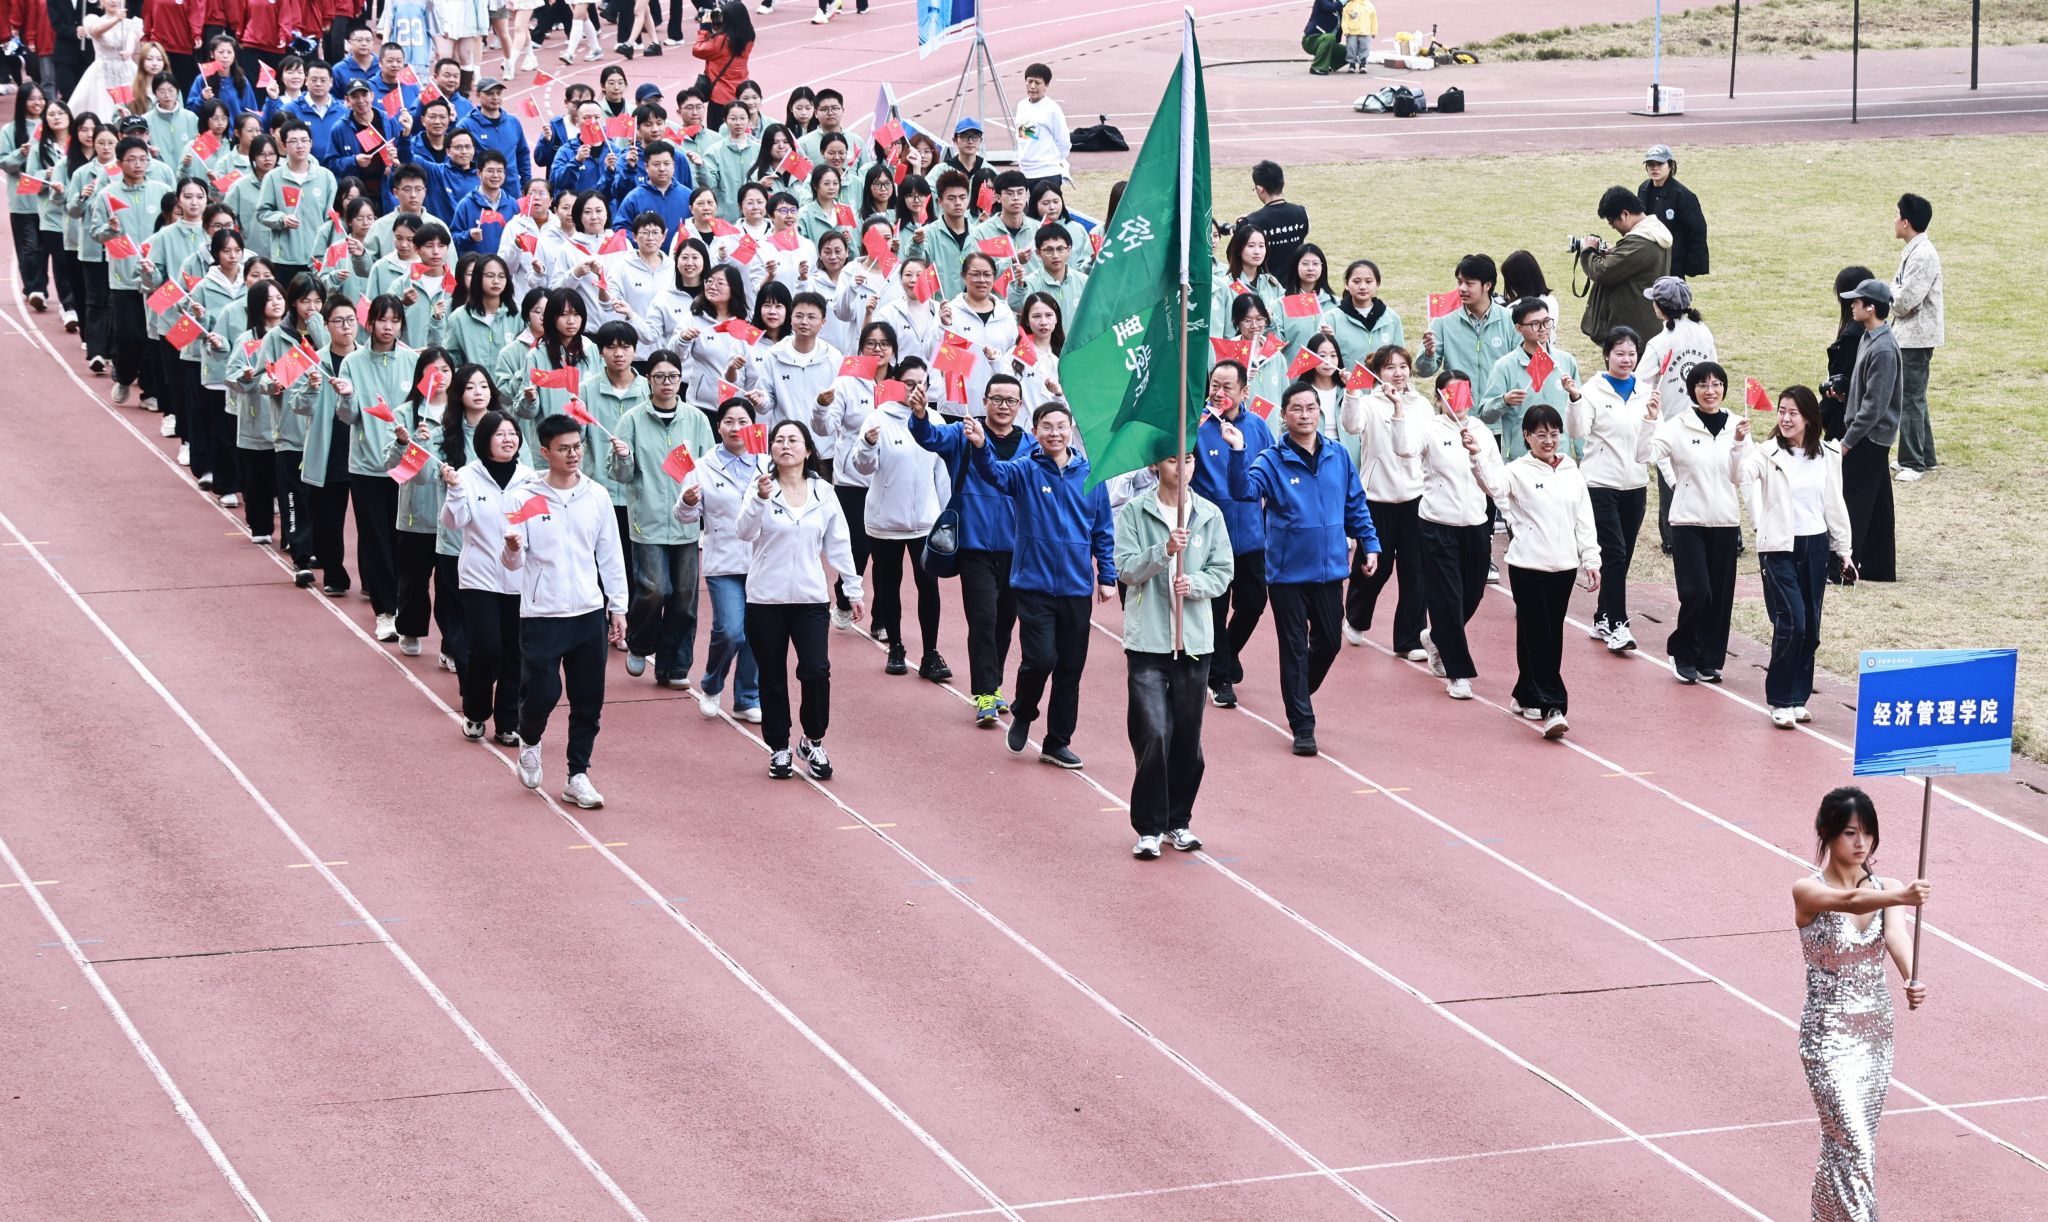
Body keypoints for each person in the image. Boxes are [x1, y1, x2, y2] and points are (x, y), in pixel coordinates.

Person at [1792, 787, 1931, 1222]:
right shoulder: (1807, 890)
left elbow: (1896, 936)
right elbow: (1850, 901)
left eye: (1868, 833)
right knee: (1853, 1142)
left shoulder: (1888, 888)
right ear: (1826, 832)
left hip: (1874, 1034)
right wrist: (1903, 896)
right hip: (1827, 1036)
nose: (1861, 843)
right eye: (1850, 833)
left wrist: (1911, 975)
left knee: (1847, 1144)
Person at [1224, 380, 1380, 756]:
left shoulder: (1338, 455)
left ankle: (1297, 691)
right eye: (1297, 408)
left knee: (1329, 642)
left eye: (1311, 408)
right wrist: (1238, 451)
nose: (1305, 414)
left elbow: (1355, 503)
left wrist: (1370, 543)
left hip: (1330, 572)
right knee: (1293, 648)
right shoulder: (1271, 460)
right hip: (1287, 576)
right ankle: (1302, 725)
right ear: (1284, 415)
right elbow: (1243, 490)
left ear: (1319, 413)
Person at [966, 401, 1116, 768]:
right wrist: (981, 446)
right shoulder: (1026, 469)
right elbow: (993, 474)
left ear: (1071, 429)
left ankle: (1056, 742)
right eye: (1046, 426)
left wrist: (1107, 576)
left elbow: (1102, 529)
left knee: (1070, 667)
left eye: (1061, 426)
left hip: (1076, 588)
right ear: (1035, 432)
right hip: (1034, 585)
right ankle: (1023, 711)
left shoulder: (1091, 474)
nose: (1055, 433)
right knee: (1040, 659)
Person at [503, 413, 629, 809]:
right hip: (543, 614)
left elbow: (610, 555)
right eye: (564, 449)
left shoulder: (596, 496)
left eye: (578, 447)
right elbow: (512, 562)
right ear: (545, 452)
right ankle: (530, 737)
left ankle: (578, 775)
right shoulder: (523, 497)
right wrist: (511, 548)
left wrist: (618, 606)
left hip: (588, 613)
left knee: (588, 698)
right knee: (542, 693)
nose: (573, 454)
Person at [1116, 446, 1234, 860]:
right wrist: (1163, 551)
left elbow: (1223, 571)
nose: (1181, 467)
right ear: (1154, 465)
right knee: (1154, 732)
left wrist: (1195, 584)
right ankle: (1149, 827)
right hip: (1147, 641)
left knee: (1187, 738)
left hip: (1194, 643)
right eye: (1172, 459)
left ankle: (1177, 821)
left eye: (1187, 459)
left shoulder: (1209, 514)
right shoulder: (1134, 512)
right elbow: (1126, 569)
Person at [738, 420, 863, 780]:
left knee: (815, 670)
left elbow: (839, 543)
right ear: (771, 450)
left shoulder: (824, 492)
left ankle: (813, 740)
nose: (786, 445)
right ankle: (779, 747)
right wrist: (760, 500)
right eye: (779, 440)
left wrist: (853, 588)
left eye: (794, 440)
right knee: (772, 676)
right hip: (765, 599)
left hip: (810, 599)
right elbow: (744, 532)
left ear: (808, 449)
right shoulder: (760, 486)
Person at [910, 373, 1035, 724]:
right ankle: (986, 692)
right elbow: (929, 437)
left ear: (1020, 406)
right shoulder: (963, 433)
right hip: (974, 547)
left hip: (1016, 549)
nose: (1003, 406)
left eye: (1011, 400)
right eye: (997, 399)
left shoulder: (1032, 446)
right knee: (983, 619)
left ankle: (993, 684)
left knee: (1005, 622)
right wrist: (920, 415)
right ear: (985, 401)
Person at [1473, 404, 1600, 739]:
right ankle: (1553, 705)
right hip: (1527, 565)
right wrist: (1476, 457)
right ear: (1526, 436)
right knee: (1539, 632)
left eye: (1554, 434)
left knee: (1547, 633)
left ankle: (1526, 691)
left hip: (1564, 567)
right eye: (1541, 434)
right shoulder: (1517, 471)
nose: (1548, 441)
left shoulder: (1571, 470)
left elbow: (1584, 518)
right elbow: (1492, 486)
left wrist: (1591, 559)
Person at [1733, 385, 1855, 728]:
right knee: (1792, 622)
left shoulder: (1827, 455)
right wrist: (1738, 444)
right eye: (1782, 411)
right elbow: (1738, 475)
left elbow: (1835, 504)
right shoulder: (1766, 453)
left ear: (1809, 418)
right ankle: (1779, 699)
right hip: (1778, 548)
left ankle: (1798, 698)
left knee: (1811, 628)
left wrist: (1843, 550)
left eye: (1793, 413)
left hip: (1815, 547)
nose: (1785, 419)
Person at [607, 347, 714, 687]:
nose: (667, 383)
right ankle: (640, 643)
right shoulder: (631, 420)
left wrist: (702, 501)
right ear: (648, 380)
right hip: (647, 520)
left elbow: (710, 467)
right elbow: (619, 475)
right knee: (654, 589)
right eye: (659, 377)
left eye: (672, 376)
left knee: (684, 597)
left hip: (686, 520)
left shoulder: (696, 420)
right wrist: (623, 457)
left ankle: (675, 666)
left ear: (681, 380)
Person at [849, 359, 951, 681]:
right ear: (895, 383)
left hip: (925, 521)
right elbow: (862, 468)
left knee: (928, 585)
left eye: (922, 384)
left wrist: (948, 517)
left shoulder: (936, 420)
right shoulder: (878, 419)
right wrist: (867, 445)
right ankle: (895, 647)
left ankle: (931, 653)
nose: (916, 389)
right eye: (909, 383)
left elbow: (942, 475)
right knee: (889, 585)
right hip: (886, 522)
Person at [440, 410, 531, 744]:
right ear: (484, 440)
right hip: (479, 578)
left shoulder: (530, 479)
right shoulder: (467, 475)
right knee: (486, 648)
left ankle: (508, 722)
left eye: (513, 434)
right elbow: (453, 522)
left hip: (519, 578)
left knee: (515, 652)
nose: (509, 440)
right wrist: (454, 490)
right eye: (500, 434)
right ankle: (476, 711)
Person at [1567, 327, 1659, 652]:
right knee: (1614, 552)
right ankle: (1619, 624)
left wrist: (1651, 419)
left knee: (1623, 555)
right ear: (1607, 355)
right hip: (1599, 485)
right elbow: (1578, 430)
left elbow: (1651, 445)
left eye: (1632, 354)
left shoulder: (1646, 392)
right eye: (1620, 353)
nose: (1626, 359)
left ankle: (1603, 617)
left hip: (1635, 485)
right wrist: (1575, 399)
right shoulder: (1593, 390)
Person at [1410, 371, 1500, 700]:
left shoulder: (1481, 431)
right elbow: (1404, 449)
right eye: (1451, 394)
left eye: (1464, 393)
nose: (1459, 401)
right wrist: (1399, 412)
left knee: (1471, 594)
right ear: (1439, 398)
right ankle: (1458, 673)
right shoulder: (1429, 429)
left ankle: (1437, 637)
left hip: (1475, 524)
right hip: (1437, 524)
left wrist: (1476, 455)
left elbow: (1495, 479)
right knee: (1447, 598)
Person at [1652, 361, 1743, 684]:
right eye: (1703, 385)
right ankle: (1682, 651)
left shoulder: (1737, 425)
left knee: (1720, 598)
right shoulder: (1679, 425)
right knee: (1697, 592)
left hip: (1725, 522)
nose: (1710, 391)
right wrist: (1648, 421)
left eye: (1716, 384)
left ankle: (1708, 659)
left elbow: (1741, 476)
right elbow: (1645, 453)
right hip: (1687, 521)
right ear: (1692, 390)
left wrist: (1739, 444)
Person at [674, 396, 762, 722]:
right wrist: (686, 502)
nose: (736, 428)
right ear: (718, 426)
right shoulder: (701, 467)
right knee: (730, 631)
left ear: (754, 427)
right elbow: (685, 516)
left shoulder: (768, 464)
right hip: (724, 561)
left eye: (743, 422)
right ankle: (712, 683)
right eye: (729, 422)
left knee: (757, 633)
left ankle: (747, 697)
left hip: (763, 562)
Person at [1190, 360, 1272, 709]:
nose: (1219, 393)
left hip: (1251, 533)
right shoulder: (1196, 425)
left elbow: (1270, 469)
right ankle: (1220, 679)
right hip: (1210, 537)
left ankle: (1224, 654)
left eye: (1227, 387)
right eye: (1215, 385)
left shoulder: (1258, 426)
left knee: (1253, 604)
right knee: (1215, 607)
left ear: (1244, 392)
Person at [1340, 344, 1427, 659]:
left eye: (1403, 366)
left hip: (1416, 498)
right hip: (1377, 499)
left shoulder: (1421, 405)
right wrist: (1352, 393)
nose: (1398, 373)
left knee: (1416, 569)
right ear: (1378, 372)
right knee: (1377, 567)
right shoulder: (1369, 404)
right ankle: (1355, 617)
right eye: (1390, 367)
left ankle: (1410, 639)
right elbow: (1351, 425)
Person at [1636, 275, 1717, 553]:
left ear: (1661, 307)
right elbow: (1714, 368)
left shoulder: (1660, 342)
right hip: (1704, 416)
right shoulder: (1704, 332)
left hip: (1671, 420)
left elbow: (1640, 382)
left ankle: (1672, 536)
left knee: (1671, 478)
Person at [1838, 279, 1900, 583]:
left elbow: (1875, 406)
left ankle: (1842, 566)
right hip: (1870, 433)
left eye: (1857, 301)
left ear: (1871, 308)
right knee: (1877, 503)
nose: (1852, 305)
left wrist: (1847, 442)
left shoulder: (1883, 348)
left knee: (1854, 501)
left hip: (1869, 436)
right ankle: (1879, 566)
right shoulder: (1870, 337)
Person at [1573, 186, 1672, 346]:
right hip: (1643, 325)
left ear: (1625, 214)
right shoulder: (1653, 232)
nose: (1613, 227)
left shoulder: (1640, 243)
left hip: (1631, 333)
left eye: (1612, 222)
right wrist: (1615, 252)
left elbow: (1602, 272)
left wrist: (1588, 250)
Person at [1889, 194, 1943, 481]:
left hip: (1916, 337)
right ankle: (1926, 457)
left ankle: (1913, 463)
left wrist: (1890, 296)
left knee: (1909, 399)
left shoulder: (1923, 255)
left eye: (1897, 215)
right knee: (1914, 397)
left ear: (1906, 222)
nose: (1894, 220)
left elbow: (1903, 301)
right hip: (1910, 335)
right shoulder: (1915, 250)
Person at [1637, 144, 1708, 279]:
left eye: (1660, 163)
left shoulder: (1683, 195)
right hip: (1648, 260)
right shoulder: (1643, 189)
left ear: (1670, 166)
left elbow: (1696, 230)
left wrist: (1692, 265)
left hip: (1673, 263)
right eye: (1650, 164)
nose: (1654, 168)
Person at [70, 0, 143, 120]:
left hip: (126, 71)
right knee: (105, 108)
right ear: (102, 2)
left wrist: (128, 51)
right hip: (103, 72)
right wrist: (116, 19)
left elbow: (131, 39)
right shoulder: (93, 20)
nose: (114, 1)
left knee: (131, 105)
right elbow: (96, 31)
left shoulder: (131, 23)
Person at [1012, 63, 1070, 194]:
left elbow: (1064, 142)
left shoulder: (1052, 109)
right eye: (1029, 81)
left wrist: (1051, 160)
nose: (1032, 86)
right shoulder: (1022, 106)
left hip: (1047, 173)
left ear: (1046, 85)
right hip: (1026, 173)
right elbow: (1023, 138)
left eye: (1037, 83)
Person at [1301, 0, 1344, 76]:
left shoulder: (1338, 4)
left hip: (1328, 41)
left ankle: (1328, 65)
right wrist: (1342, 2)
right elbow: (1331, 7)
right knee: (1329, 37)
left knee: (1350, 53)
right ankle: (1317, 67)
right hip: (1311, 39)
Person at [1340, 0, 1377, 73]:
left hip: (1365, 32)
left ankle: (1362, 65)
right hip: (1352, 32)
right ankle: (1352, 65)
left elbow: (1373, 19)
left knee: (1364, 48)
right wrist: (1345, 29)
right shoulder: (1349, 5)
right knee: (1351, 48)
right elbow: (1345, 18)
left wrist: (1374, 31)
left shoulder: (1369, 5)